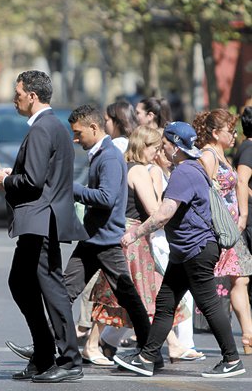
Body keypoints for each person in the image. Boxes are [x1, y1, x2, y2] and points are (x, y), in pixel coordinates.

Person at [115, 121, 246, 378]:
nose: (161, 149)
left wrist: (134, 233)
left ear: (175, 146)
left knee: (208, 303)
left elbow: (164, 214)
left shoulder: (184, 172)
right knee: (165, 302)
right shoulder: (192, 168)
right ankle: (147, 357)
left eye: (164, 144)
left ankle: (232, 359)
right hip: (186, 250)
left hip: (196, 249)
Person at [0, 71, 88, 383]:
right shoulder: (48, 126)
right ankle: (45, 355)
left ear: (32, 95)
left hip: (41, 220)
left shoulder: (44, 128)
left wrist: (5, 180)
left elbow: (32, 181)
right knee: (21, 283)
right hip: (39, 219)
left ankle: (69, 359)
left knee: (51, 287)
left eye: (18, 92)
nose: (14, 98)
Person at [84, 126, 201, 364]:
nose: (157, 154)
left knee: (136, 293)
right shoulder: (138, 171)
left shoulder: (125, 167)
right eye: (154, 149)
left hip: (129, 235)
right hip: (134, 238)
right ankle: (92, 344)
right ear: (143, 146)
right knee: (134, 293)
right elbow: (154, 210)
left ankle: (105, 344)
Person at [64, 104, 152, 362]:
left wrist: (72, 188)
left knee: (128, 297)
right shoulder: (100, 154)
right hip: (92, 238)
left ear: (94, 127)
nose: (75, 138)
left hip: (107, 240)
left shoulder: (110, 156)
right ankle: (46, 347)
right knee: (64, 290)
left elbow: (106, 197)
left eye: (79, 133)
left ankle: (149, 350)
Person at [193, 109, 252, 354]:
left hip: (230, 228)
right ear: (216, 133)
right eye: (230, 130)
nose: (234, 135)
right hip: (217, 228)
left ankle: (248, 336)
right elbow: (202, 191)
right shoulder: (207, 156)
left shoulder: (222, 154)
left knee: (241, 278)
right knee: (197, 285)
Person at [234, 106, 252, 320]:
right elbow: (241, 180)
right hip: (249, 221)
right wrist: (244, 215)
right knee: (242, 278)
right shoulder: (249, 148)